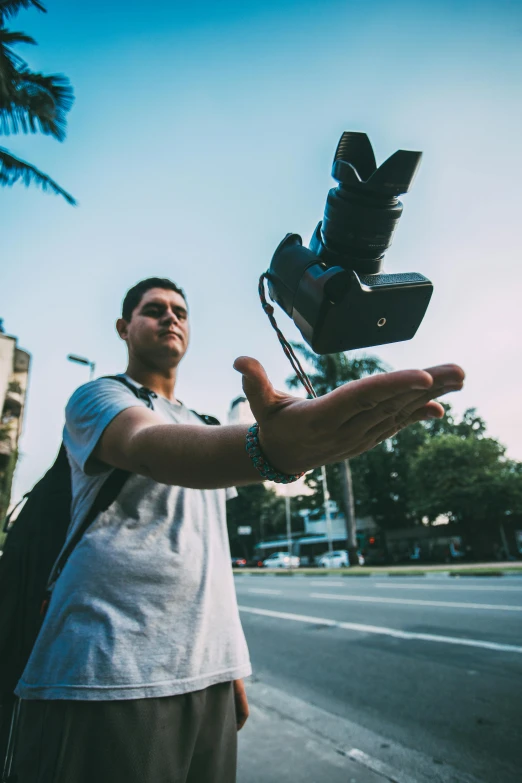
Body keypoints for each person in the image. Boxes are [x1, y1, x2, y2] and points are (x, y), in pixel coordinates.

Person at [11, 277, 465, 783]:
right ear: (124, 327)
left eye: (180, 311)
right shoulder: (98, 396)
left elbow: (207, 551)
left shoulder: (203, 423)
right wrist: (272, 451)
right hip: (110, 668)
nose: (171, 318)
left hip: (206, 675)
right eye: (153, 310)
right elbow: (149, 445)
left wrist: (228, 661)